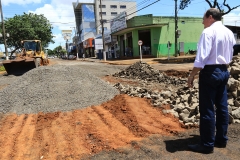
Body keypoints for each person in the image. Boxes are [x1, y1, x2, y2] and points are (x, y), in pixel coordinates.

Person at [187, 8, 236, 154]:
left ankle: (207, 144)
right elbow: (230, 53)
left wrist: (192, 75)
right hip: (223, 71)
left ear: (210, 17)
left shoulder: (208, 32)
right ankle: (221, 140)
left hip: (210, 72)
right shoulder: (228, 33)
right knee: (222, 107)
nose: (202, 22)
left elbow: (201, 58)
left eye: (203, 18)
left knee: (207, 108)